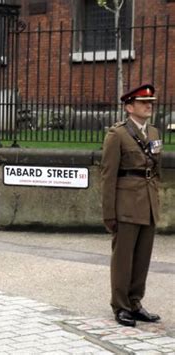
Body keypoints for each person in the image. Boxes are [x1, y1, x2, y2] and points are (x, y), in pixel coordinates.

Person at [101, 84, 162, 327]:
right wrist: (109, 213)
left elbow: (155, 171)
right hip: (125, 204)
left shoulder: (155, 133)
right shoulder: (117, 135)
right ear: (129, 107)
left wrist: (155, 200)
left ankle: (135, 302)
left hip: (147, 203)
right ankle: (121, 306)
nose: (149, 106)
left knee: (142, 258)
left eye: (151, 102)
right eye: (142, 102)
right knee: (123, 258)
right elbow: (108, 175)